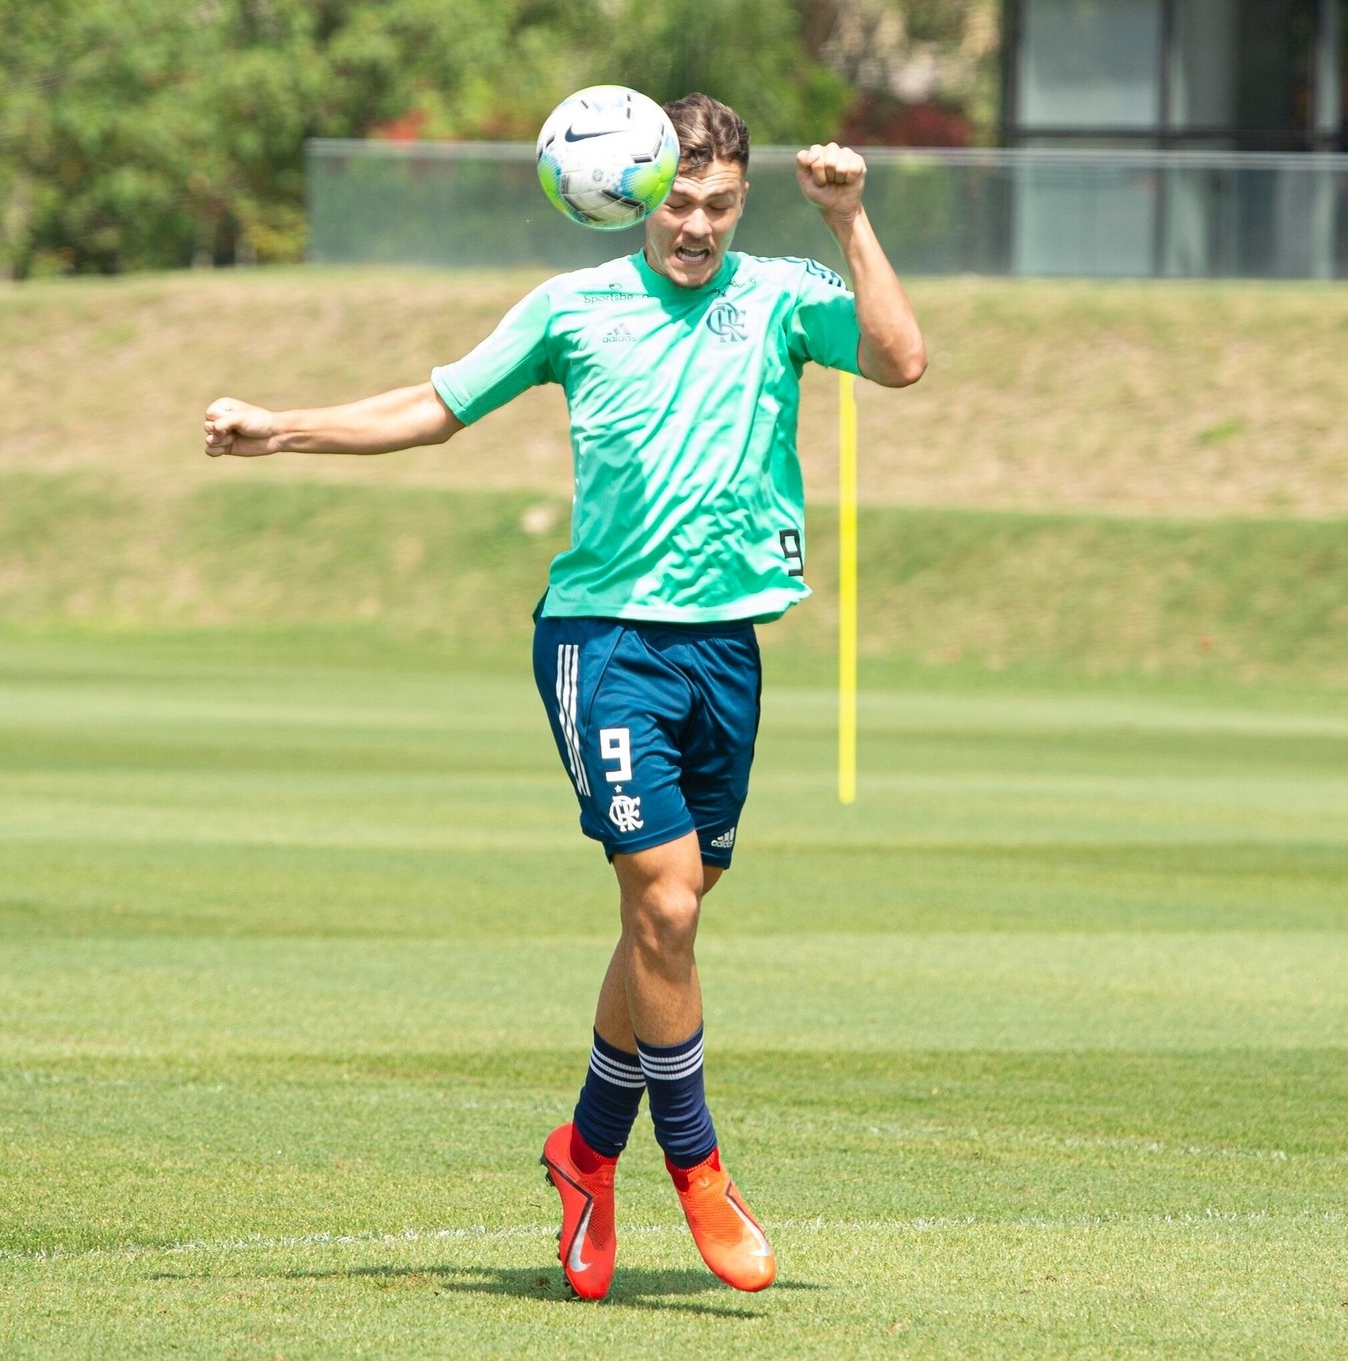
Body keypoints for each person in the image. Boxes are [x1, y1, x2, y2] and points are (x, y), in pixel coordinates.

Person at [202, 92, 925, 1301]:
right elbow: (436, 407)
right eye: (678, 202)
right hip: (602, 640)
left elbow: (902, 359)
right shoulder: (571, 307)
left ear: (743, 202)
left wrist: (849, 220)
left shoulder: (784, 295)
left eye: (719, 205)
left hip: (727, 649)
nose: (696, 225)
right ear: (639, 195)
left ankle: (586, 1152)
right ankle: (695, 1168)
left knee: (665, 916)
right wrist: (286, 429)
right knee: (668, 910)